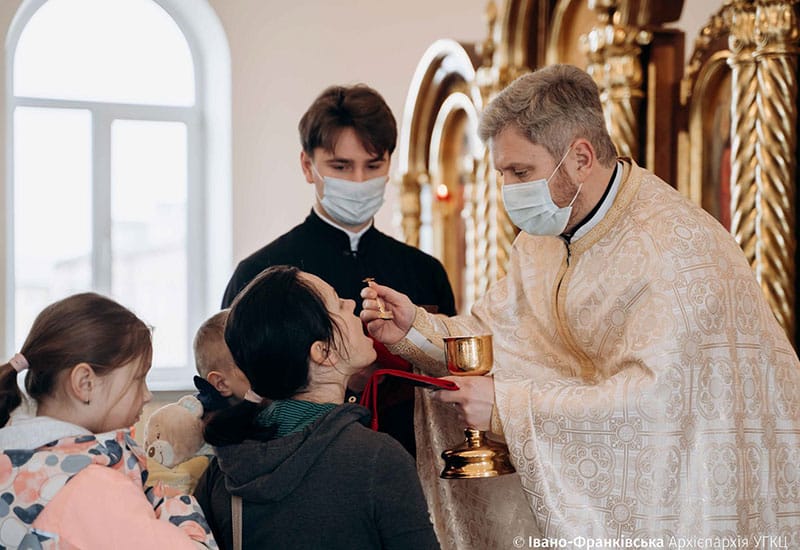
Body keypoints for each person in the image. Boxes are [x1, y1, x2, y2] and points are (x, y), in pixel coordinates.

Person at [361, 64, 800, 544]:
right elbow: (504, 337)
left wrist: (505, 406)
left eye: (520, 172)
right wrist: (414, 330)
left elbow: (657, 413)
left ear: (581, 158)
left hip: (692, 504)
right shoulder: (543, 238)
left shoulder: (674, 250)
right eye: (503, 172)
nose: (508, 189)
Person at [221, 84, 456, 455]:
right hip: (297, 468)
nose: (359, 182)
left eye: (373, 165)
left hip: (410, 461)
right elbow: (233, 391)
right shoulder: (259, 273)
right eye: (341, 166)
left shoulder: (425, 272)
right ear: (307, 165)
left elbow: (448, 378)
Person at [194, 266, 439, 550]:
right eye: (336, 303)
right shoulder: (377, 459)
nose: (350, 303)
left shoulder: (225, 466)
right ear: (323, 352)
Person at [0, 292, 217, 550]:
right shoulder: (94, 486)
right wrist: (173, 502)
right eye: (139, 378)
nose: (147, 395)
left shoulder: (18, 463)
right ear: (85, 383)